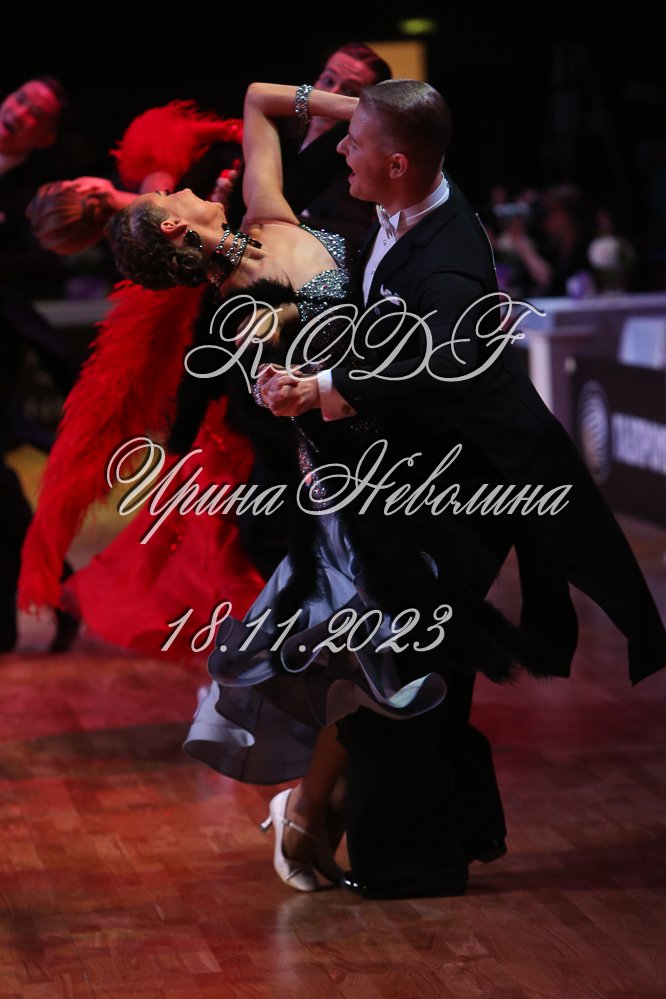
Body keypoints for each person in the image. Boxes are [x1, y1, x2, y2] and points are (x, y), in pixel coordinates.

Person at [252, 80, 666, 898]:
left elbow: (435, 367)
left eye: (356, 141)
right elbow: (388, 132)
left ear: (398, 164)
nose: (341, 150)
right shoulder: (416, 191)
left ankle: (403, 856)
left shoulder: (447, 266)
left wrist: (322, 388)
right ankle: (428, 841)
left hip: (476, 481)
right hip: (435, 468)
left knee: (406, 659)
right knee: (415, 657)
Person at [17, 102, 263, 663]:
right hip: (250, 358)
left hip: (231, 376)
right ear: (83, 193)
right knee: (230, 517)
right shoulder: (159, 213)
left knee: (220, 518)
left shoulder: (154, 214)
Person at [0, 75, 75, 653]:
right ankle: (59, 593)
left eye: (35, 114)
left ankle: (57, 593)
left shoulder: (34, 195)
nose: (20, 112)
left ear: (44, 136)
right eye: (21, 99)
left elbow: (49, 263)